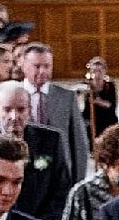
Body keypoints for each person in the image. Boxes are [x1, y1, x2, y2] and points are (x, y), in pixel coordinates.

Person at [0, 79, 72, 220]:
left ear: (30, 110)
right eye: (7, 109)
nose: (14, 117)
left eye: (21, 109)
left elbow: (61, 188)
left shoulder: (51, 140)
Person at [14, 45, 90, 186]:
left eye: (47, 66)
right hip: (23, 177)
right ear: (23, 66)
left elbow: (79, 144)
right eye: (37, 66)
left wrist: (77, 183)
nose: (42, 71)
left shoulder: (67, 97)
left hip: (59, 177)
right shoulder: (12, 95)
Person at [82, 56, 119, 141]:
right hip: (91, 117)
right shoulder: (87, 84)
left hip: (106, 116)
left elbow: (112, 106)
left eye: (100, 71)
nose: (97, 74)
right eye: (94, 71)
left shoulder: (109, 86)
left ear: (105, 71)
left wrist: (99, 102)